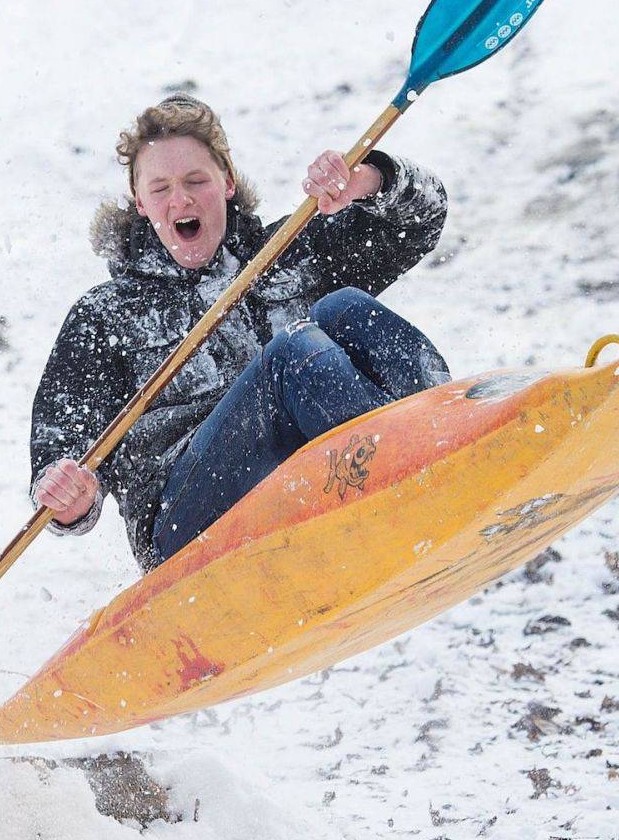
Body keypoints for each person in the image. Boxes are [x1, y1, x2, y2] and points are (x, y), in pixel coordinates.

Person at [29, 94, 449, 572]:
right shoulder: (104, 315)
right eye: (160, 188)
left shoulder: (287, 250)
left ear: (226, 183)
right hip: (185, 529)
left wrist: (367, 181)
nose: (180, 200)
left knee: (345, 307)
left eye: (195, 181)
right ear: (141, 202)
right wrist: (70, 495)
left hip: (310, 481)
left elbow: (420, 222)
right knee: (292, 353)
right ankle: (406, 479)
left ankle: (446, 436)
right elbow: (59, 450)